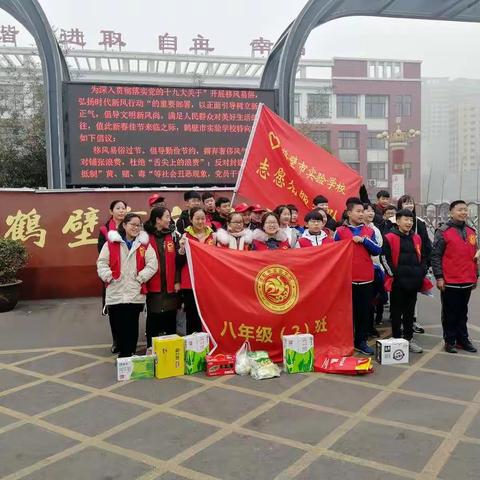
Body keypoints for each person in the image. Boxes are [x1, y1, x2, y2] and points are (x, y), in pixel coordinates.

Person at [97, 213, 158, 358]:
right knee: (118, 326)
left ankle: (128, 355)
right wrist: (108, 276)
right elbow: (101, 262)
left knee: (132, 326)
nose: (136, 228)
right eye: (132, 224)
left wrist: (141, 278)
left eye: (138, 225)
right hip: (116, 290)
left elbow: (152, 264)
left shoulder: (144, 244)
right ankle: (123, 353)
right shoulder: (111, 243)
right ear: (124, 225)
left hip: (134, 291)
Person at [334, 198, 381, 355]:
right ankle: (345, 341)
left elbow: (377, 250)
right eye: (358, 211)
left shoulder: (369, 231)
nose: (362, 214)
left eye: (363, 211)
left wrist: (364, 241)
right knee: (347, 313)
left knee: (363, 312)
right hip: (347, 279)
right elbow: (332, 253)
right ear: (349, 213)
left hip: (366, 279)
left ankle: (361, 341)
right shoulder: (340, 232)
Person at [431, 200, 478, 354]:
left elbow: (475, 256)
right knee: (450, 313)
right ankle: (450, 340)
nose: (463, 212)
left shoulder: (472, 231)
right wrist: (439, 277)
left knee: (462, 312)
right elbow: (436, 256)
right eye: (459, 210)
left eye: (465, 210)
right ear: (451, 212)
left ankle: (463, 339)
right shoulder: (443, 231)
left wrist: (475, 275)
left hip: (467, 279)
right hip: (449, 280)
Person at [382, 209, 429, 354]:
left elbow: (422, 257)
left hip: (414, 282)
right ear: (397, 221)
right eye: (406, 219)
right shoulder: (389, 237)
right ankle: (397, 339)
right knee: (396, 313)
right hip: (398, 282)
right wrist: (394, 276)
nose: (409, 223)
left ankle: (409, 339)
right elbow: (385, 259)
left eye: (411, 220)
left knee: (410, 313)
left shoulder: (417, 238)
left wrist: (421, 272)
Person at [143, 207, 181, 348]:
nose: (169, 220)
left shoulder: (174, 235)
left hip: (170, 284)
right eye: (166, 216)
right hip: (153, 284)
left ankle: (170, 351)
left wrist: (177, 280)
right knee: (154, 318)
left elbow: (178, 261)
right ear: (158, 220)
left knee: (170, 318)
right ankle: (151, 349)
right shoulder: (145, 236)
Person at [397, 194, 433, 334]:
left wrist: (425, 265)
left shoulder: (420, 222)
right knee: (399, 298)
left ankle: (412, 321)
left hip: (416, 265)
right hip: (400, 266)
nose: (409, 205)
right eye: (405, 203)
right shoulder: (393, 222)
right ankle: (398, 323)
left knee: (413, 296)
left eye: (411, 202)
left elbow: (426, 245)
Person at [178, 207, 215, 334]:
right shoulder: (185, 236)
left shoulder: (213, 236)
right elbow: (178, 261)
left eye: (203, 218)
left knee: (208, 314)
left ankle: (207, 342)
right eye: (197, 218)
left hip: (208, 281)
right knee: (192, 314)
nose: (200, 221)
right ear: (190, 219)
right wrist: (182, 249)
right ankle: (192, 346)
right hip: (190, 281)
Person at [97, 199, 127, 354]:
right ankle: (116, 340)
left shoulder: (131, 227)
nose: (121, 211)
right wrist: (110, 275)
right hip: (113, 276)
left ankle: (128, 340)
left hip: (129, 276)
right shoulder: (104, 230)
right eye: (118, 208)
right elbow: (101, 254)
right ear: (111, 211)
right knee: (114, 310)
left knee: (128, 309)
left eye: (123, 208)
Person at [363, 203, 385, 334]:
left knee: (373, 300)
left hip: (375, 268)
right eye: (367, 211)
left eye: (372, 211)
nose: (370, 213)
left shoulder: (375, 229)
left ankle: (370, 326)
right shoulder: (357, 229)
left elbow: (378, 248)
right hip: (362, 269)